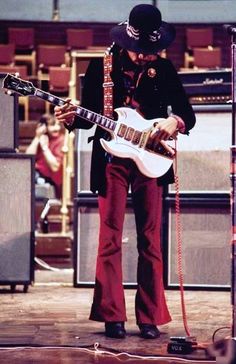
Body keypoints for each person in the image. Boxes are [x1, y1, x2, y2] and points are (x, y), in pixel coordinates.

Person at [55, 4, 196, 339]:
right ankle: (111, 314)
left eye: (153, 50)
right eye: (143, 52)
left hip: (151, 159)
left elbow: (187, 115)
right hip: (112, 159)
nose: (148, 57)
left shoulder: (162, 68)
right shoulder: (100, 66)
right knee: (110, 236)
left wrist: (172, 121)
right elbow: (87, 113)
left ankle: (149, 317)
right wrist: (71, 118)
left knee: (151, 239)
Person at [26, 113, 65, 199]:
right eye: (52, 125)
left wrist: (45, 148)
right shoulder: (42, 138)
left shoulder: (62, 140)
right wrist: (37, 137)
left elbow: (55, 167)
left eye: (58, 125)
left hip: (50, 180)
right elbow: (27, 159)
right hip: (35, 175)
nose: (56, 128)